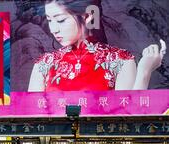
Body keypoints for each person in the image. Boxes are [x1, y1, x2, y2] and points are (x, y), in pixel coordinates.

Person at [28, 0, 166, 92]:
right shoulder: (43, 65)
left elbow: (127, 118)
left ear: (87, 16)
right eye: (49, 20)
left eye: (60, 20)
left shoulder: (120, 60)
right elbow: (33, 120)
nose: (53, 29)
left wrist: (144, 72)